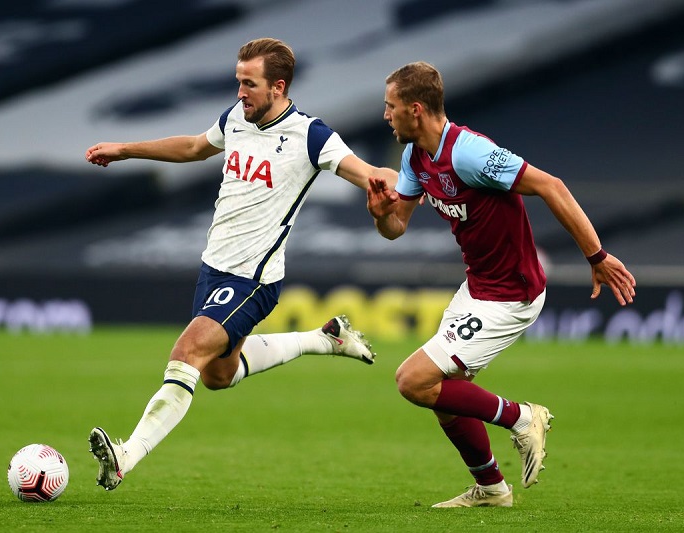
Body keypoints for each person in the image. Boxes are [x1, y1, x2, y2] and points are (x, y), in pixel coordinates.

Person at [84, 37, 397, 491]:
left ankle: (126, 455)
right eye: (238, 82)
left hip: (254, 278)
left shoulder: (312, 135)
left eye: (249, 84)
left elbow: (368, 172)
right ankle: (323, 339)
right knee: (216, 374)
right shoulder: (237, 118)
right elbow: (194, 147)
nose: (240, 93)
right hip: (214, 269)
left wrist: (395, 186)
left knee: (186, 352)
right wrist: (126, 149)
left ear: (278, 86)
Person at [366, 61, 636, 508]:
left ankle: (522, 417)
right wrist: (381, 215)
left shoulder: (469, 153)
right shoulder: (415, 157)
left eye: (390, 106)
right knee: (446, 395)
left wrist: (597, 256)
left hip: (511, 294)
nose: (385, 115)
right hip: (477, 287)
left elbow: (552, 186)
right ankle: (492, 489)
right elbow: (397, 227)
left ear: (415, 109)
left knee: (412, 380)